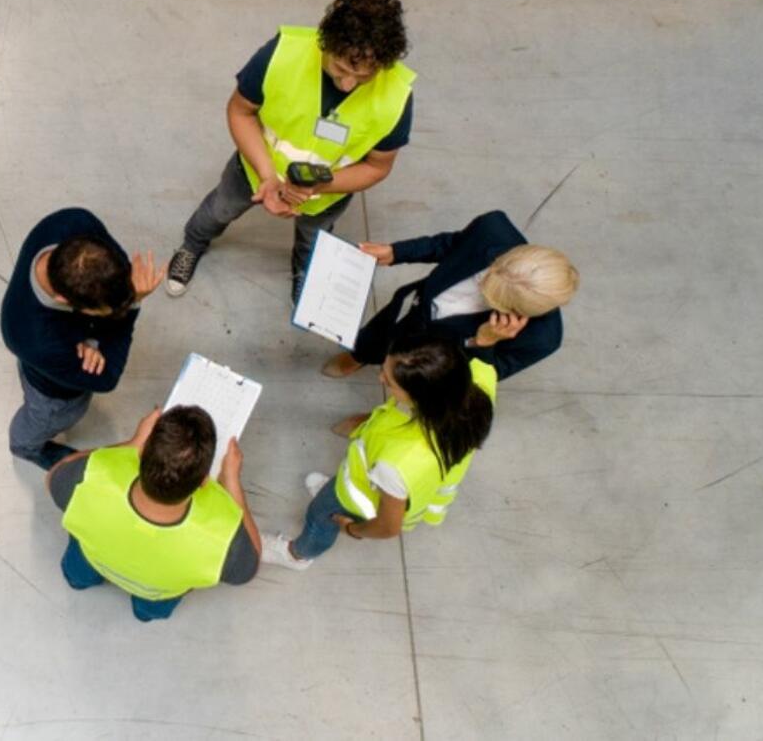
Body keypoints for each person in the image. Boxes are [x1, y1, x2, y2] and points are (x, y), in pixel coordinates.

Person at [166, 0, 416, 303]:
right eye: (341, 68)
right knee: (218, 210)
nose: (350, 83)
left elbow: (378, 166)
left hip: (326, 194)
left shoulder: (397, 96)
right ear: (325, 43)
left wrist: (315, 188)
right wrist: (268, 176)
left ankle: (303, 272)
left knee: (313, 242)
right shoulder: (282, 54)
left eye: (365, 76)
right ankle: (192, 244)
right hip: (255, 171)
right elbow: (241, 112)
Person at [260, 333, 495, 569]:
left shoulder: (396, 464)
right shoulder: (477, 385)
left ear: (422, 398)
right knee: (329, 498)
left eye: (390, 381)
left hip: (354, 499)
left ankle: (298, 555)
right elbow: (485, 364)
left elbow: (388, 526)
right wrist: (488, 338)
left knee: (319, 517)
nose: (380, 377)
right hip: (368, 477)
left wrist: (351, 528)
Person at [48, 405, 261, 621]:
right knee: (150, 607)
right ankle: (143, 613)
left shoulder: (92, 477)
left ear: (141, 454)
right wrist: (231, 481)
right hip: (157, 591)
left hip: (92, 558)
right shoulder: (222, 537)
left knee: (78, 572)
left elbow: (55, 474)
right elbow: (249, 567)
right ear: (204, 481)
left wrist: (130, 444)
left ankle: (79, 581)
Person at [322, 210, 579, 382]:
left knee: (407, 392)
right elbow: (450, 244)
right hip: (415, 313)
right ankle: (360, 356)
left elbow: (483, 380)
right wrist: (396, 252)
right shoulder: (493, 230)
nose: (481, 289)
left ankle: (376, 418)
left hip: (440, 361)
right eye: (486, 278)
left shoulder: (541, 339)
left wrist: (484, 343)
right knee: (378, 335)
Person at [0, 207, 165, 470]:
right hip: (52, 393)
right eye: (103, 312)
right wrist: (131, 306)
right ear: (64, 301)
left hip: (52, 356)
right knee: (42, 420)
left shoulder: (72, 221)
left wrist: (93, 340)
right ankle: (26, 447)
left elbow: (117, 266)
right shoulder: (33, 338)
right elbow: (107, 376)